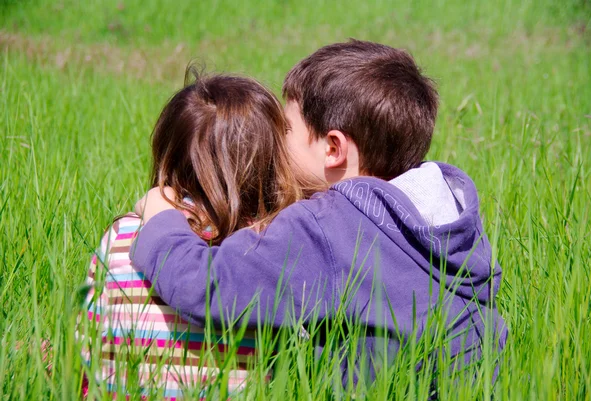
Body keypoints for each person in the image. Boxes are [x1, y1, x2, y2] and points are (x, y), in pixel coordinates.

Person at [131, 39, 507, 385]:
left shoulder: (328, 226)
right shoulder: (447, 209)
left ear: (333, 149)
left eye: (286, 129)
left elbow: (208, 287)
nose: (275, 142)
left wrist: (161, 217)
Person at [80, 70, 312, 399]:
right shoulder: (272, 246)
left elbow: (86, 343)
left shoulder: (123, 234)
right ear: (272, 163)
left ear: (168, 153)